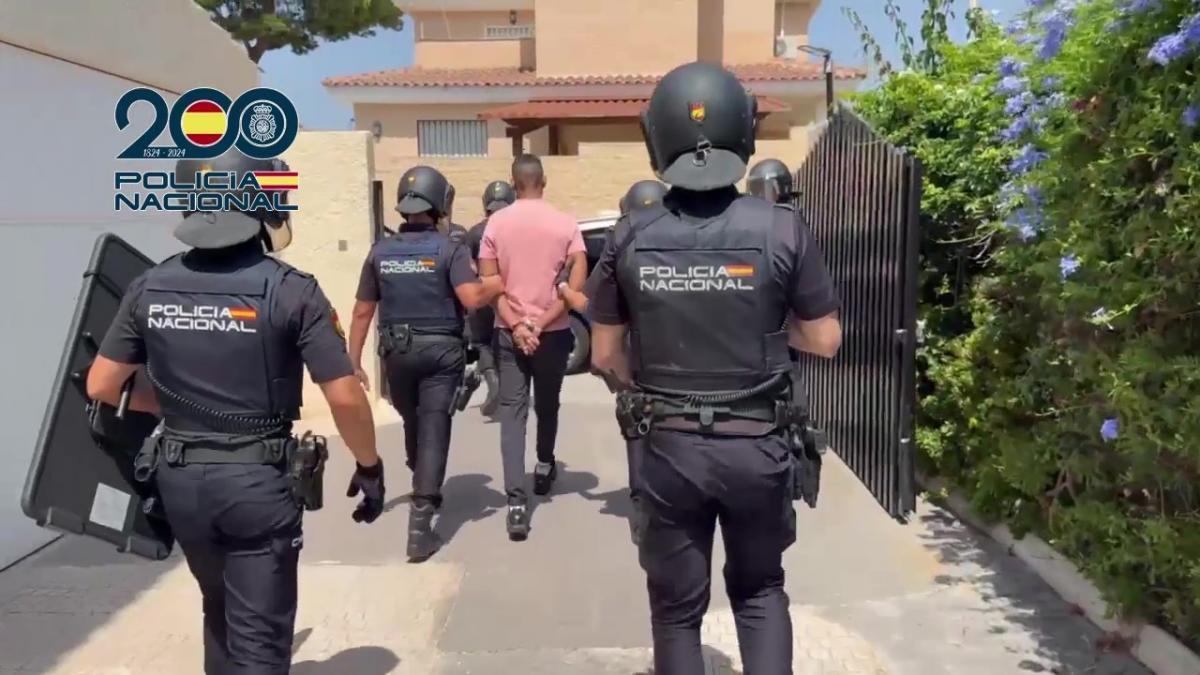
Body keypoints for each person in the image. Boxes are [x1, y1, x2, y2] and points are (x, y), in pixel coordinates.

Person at [585, 62, 843, 674]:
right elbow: (825, 339)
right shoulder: (783, 228)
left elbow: (603, 353)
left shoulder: (630, 234)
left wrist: (652, 382)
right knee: (760, 591)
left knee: (677, 610)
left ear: (658, 138)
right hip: (759, 445)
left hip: (668, 447)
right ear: (743, 132)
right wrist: (767, 330)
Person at [85, 148, 385, 675]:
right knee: (260, 642)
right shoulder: (292, 290)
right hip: (256, 486)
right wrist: (369, 465)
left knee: (219, 611)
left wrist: (173, 403)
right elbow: (344, 396)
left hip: (180, 482)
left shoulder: (148, 286)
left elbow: (102, 385)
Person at [348, 165, 504, 561]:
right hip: (440, 354)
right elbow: (471, 299)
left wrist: (354, 361)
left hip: (396, 355)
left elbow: (363, 311)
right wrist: (498, 282)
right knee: (434, 426)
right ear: (439, 204)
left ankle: (421, 474)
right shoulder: (449, 249)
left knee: (413, 421)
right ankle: (420, 526)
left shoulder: (380, 251)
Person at [479, 154, 587, 540]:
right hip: (552, 332)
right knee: (548, 403)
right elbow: (575, 286)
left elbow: (489, 286)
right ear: (544, 181)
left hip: (510, 333)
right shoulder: (566, 224)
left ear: (513, 183)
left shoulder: (496, 224)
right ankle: (543, 466)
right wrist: (540, 323)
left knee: (512, 413)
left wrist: (517, 324)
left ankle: (515, 504)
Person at [463, 180, 517, 418]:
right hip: (511, 295)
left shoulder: (475, 232)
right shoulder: (518, 230)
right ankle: (509, 391)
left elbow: (468, 267)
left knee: (482, 342)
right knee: (508, 341)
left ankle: (493, 383)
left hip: (484, 293)